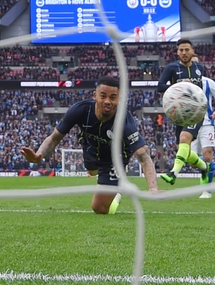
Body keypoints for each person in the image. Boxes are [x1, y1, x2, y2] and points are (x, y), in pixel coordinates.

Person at [21, 76, 159, 215]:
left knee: (99, 208)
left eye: (113, 97)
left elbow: (144, 156)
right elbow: (54, 138)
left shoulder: (125, 122)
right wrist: (39, 155)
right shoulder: (80, 110)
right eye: (103, 96)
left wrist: (153, 188)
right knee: (92, 171)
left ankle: (116, 189)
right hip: (90, 147)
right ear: (95, 95)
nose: (107, 101)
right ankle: (112, 184)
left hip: (115, 158)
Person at [156, 38, 210, 186]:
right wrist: (177, 87)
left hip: (196, 112)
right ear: (177, 52)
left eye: (187, 50)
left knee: (185, 138)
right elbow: (160, 86)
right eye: (181, 50)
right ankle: (204, 168)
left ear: (193, 51)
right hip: (179, 113)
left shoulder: (200, 68)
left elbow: (206, 88)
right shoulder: (171, 68)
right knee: (183, 150)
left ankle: (173, 173)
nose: (184, 53)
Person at [189, 57, 215, 198]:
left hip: (206, 124)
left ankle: (207, 190)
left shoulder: (208, 82)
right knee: (192, 162)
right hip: (189, 125)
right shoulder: (182, 84)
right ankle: (212, 169)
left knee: (207, 155)